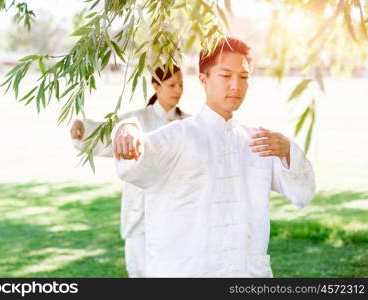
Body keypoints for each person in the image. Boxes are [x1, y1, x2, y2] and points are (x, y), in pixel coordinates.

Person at [111, 37, 316, 277]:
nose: (235, 86)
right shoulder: (179, 136)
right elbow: (134, 161)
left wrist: (289, 152)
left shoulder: (259, 142)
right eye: (226, 75)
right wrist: (126, 129)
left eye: (243, 77)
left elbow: (303, 194)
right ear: (203, 79)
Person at [70, 65, 188, 277]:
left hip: (179, 209)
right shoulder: (137, 120)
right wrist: (82, 128)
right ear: (155, 85)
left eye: (181, 84)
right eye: (171, 85)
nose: (177, 90)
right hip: (141, 211)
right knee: (142, 272)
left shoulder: (189, 122)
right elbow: (108, 135)